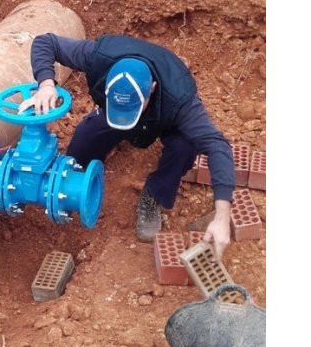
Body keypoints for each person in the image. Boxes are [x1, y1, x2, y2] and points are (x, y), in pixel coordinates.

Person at [18, 32, 235, 258]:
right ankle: (72, 183)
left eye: (132, 109)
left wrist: (221, 218)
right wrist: (45, 84)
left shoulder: (180, 98)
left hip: (164, 118)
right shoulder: (98, 56)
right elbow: (46, 42)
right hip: (113, 109)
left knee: (185, 146)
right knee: (85, 139)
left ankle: (154, 195)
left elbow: (217, 146)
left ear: (150, 89)